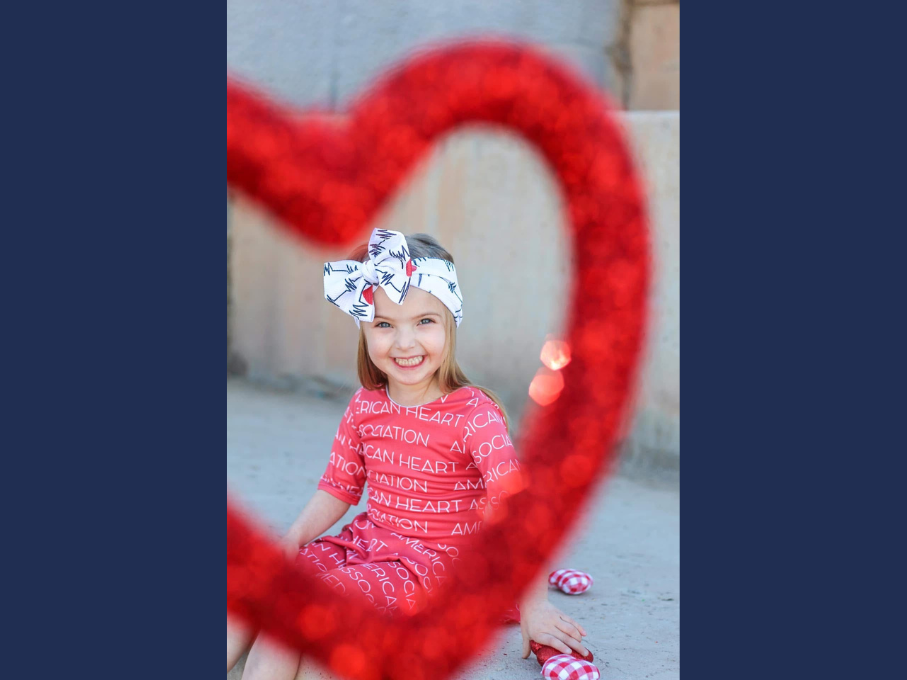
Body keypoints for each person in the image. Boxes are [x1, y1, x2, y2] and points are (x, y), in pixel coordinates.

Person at [227, 229, 588, 678]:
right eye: (384, 324)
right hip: (367, 546)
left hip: (436, 567)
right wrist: (293, 539)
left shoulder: (475, 414)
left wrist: (534, 605)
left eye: (424, 322)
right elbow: (338, 488)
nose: (404, 343)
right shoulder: (366, 405)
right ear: (363, 329)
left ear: (450, 322)